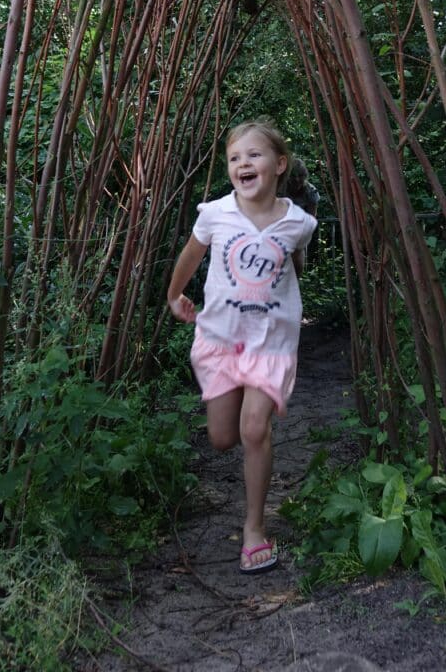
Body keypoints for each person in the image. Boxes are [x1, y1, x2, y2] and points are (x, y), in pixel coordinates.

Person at [167, 119, 318, 574]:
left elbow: (295, 262)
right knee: (222, 437)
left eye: (254, 155)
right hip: (221, 340)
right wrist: (175, 295)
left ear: (279, 165)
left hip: (270, 343)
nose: (243, 163)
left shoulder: (298, 222)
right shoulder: (215, 213)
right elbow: (191, 256)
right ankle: (247, 481)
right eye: (235, 158)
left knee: (254, 428)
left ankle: (254, 530)